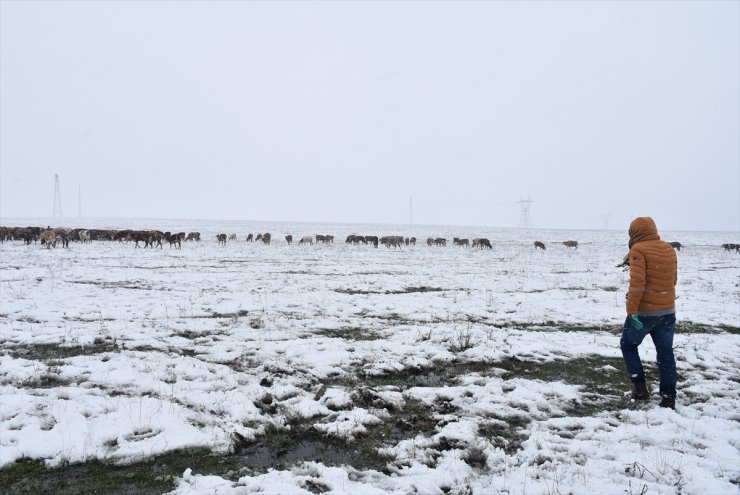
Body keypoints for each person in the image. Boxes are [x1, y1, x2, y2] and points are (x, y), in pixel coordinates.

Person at [620, 217, 678, 409]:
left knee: (628, 344)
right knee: (665, 353)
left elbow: (637, 284)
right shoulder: (668, 248)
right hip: (668, 311)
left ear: (634, 232)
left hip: (645, 312)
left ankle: (639, 387)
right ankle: (669, 397)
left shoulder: (638, 250)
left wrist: (632, 311)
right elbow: (673, 280)